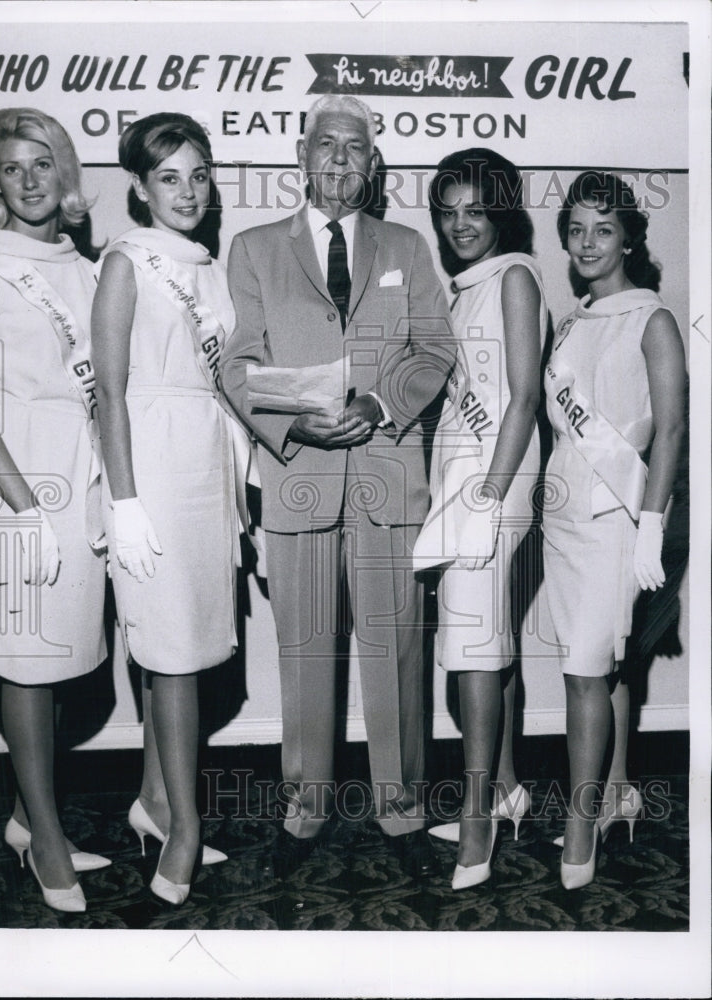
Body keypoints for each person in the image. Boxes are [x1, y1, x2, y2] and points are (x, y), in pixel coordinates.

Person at [220, 94, 455, 880]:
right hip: (299, 481)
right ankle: (305, 810)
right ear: (301, 152)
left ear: (374, 162)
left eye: (356, 147)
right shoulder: (253, 249)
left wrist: (382, 403)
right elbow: (237, 363)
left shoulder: (407, 246)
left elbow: (435, 350)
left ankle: (403, 812)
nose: (341, 159)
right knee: (304, 659)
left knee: (395, 658)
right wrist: (293, 427)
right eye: (328, 144)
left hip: (387, 483)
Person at [0, 108, 108, 913]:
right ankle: (46, 841)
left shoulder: (85, 266)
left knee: (70, 663)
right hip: (17, 487)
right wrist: (22, 509)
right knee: (26, 659)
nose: (31, 180)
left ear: (64, 169)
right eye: (12, 168)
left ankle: (23, 814)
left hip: (82, 482)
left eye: (42, 163)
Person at [92, 112, 249, 905]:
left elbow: (228, 381)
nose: (188, 192)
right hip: (150, 465)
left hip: (205, 464)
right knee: (173, 651)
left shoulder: (208, 266)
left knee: (175, 652)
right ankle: (185, 828)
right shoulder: (126, 261)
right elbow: (109, 392)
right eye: (169, 178)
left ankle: (155, 802)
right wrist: (122, 500)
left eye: (198, 174)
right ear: (140, 188)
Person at [543, 171, 685, 888]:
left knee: (583, 672)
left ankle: (578, 821)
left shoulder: (652, 320)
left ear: (629, 235)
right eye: (576, 229)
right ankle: (617, 789)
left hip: (617, 522)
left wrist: (652, 527)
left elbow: (671, 431)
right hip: (563, 520)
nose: (589, 243)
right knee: (602, 664)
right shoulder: (573, 321)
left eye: (604, 229)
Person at [412, 148, 546, 889]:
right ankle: (505, 789)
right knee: (487, 638)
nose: (462, 224)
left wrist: (490, 496)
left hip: (496, 484)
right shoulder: (465, 288)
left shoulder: (516, 276)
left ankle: (475, 824)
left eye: (476, 210)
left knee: (471, 648)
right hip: (467, 482)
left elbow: (522, 397)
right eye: (449, 210)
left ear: (501, 211)